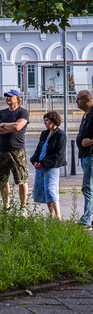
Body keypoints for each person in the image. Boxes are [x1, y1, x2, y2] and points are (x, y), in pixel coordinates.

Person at [0, 89, 30, 209]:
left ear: (17, 99)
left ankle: (23, 208)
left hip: (17, 150)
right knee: (2, 179)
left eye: (10, 96)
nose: (8, 98)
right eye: (6, 96)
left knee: (21, 180)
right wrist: (10, 126)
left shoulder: (23, 112)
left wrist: (3, 125)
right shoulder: (1, 112)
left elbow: (18, 126)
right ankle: (6, 206)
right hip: (3, 150)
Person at [31, 110, 67, 219]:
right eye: (44, 120)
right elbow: (39, 149)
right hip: (40, 166)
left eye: (47, 120)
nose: (45, 123)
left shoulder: (60, 134)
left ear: (53, 120)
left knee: (51, 190)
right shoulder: (44, 133)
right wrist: (35, 160)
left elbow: (59, 154)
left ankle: (58, 216)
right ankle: (51, 216)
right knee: (45, 191)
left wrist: (43, 163)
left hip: (51, 166)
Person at [75, 90, 93, 229]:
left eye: (79, 99)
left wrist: (91, 141)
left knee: (87, 188)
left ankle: (86, 219)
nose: (76, 101)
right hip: (85, 155)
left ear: (88, 100)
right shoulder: (86, 114)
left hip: (90, 156)